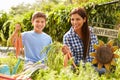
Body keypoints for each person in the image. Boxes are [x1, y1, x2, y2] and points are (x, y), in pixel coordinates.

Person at [62, 7, 106, 75]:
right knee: (103, 71)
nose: (74, 22)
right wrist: (67, 53)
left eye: (78, 19)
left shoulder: (92, 31)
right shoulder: (67, 37)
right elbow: (71, 60)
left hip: (93, 64)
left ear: (84, 19)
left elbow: (96, 51)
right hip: (79, 67)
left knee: (110, 65)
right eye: (72, 19)